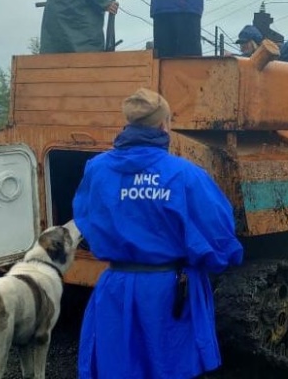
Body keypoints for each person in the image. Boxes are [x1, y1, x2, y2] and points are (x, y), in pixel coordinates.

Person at [74, 88, 244, 379]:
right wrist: (218, 261)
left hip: (116, 285)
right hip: (169, 290)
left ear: (128, 124)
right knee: (170, 365)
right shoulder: (185, 174)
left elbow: (86, 218)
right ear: (164, 125)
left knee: (119, 367)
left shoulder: (97, 169)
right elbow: (219, 231)